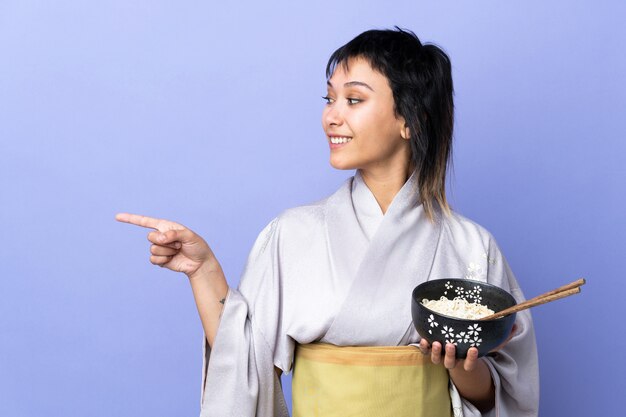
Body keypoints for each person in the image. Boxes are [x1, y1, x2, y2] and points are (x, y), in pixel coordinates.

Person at [117, 28, 539, 417]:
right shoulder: (292, 233)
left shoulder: (471, 246)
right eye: (329, 99)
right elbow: (243, 361)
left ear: (411, 119)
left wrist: (462, 366)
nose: (331, 116)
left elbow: (503, 396)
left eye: (353, 100)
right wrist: (203, 269)